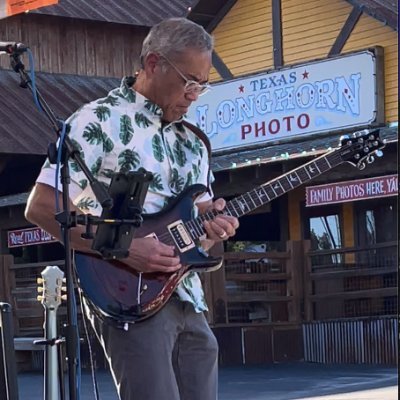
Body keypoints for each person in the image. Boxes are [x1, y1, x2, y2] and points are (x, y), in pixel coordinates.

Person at [25, 17, 239, 400]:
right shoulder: (96, 121)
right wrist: (124, 248)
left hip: (188, 295)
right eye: (189, 81)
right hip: (126, 293)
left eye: (203, 85)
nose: (194, 94)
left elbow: (200, 221)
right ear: (154, 63)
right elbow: (42, 207)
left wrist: (215, 225)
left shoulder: (194, 141)